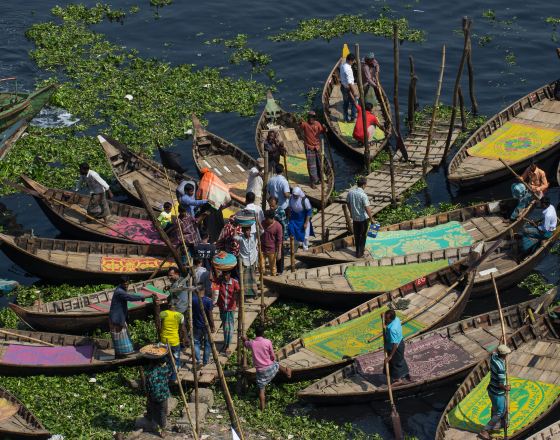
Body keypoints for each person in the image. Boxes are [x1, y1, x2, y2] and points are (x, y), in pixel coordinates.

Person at [242, 325, 292, 411]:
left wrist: (244, 338)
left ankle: (262, 409)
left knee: (261, 389)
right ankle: (288, 373)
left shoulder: (252, 343)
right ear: (263, 333)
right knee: (277, 364)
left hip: (260, 371)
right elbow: (272, 356)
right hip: (269, 367)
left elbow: (245, 343)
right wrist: (272, 359)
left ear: (255, 333)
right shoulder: (267, 342)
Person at [479, 344, 512, 440]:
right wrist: (507, 388)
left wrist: (502, 341)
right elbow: (500, 385)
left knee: (495, 408)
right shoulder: (501, 368)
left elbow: (494, 350)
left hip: (491, 390)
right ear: (503, 355)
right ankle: (485, 430)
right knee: (500, 412)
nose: (507, 355)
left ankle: (496, 424)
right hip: (497, 393)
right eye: (506, 354)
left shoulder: (493, 357)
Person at [108, 276, 145, 357]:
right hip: (116, 319)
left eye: (127, 284)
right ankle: (124, 355)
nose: (126, 286)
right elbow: (129, 297)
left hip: (119, 317)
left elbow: (128, 296)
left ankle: (122, 354)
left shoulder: (120, 289)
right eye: (124, 284)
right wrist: (142, 297)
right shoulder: (119, 292)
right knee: (119, 337)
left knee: (122, 336)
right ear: (121, 284)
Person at [346, 176, 375, 258]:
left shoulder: (350, 192)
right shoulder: (363, 195)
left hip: (355, 219)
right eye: (366, 185)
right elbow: (367, 208)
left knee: (357, 235)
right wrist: (371, 219)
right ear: (363, 185)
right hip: (362, 219)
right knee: (362, 235)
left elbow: (347, 203)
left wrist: (351, 212)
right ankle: (360, 253)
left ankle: (358, 251)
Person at [143, 354, 171, 437]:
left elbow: (147, 385)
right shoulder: (163, 370)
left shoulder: (148, 373)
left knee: (153, 408)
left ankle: (153, 421)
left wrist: (148, 395)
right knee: (163, 412)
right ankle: (163, 430)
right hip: (163, 395)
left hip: (153, 395)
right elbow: (170, 368)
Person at [159, 300, 188, 382]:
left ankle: (166, 375)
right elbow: (182, 329)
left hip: (164, 341)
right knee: (176, 358)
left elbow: (158, 325)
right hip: (174, 341)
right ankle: (173, 377)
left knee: (165, 358)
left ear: (168, 306)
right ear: (176, 307)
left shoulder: (163, 313)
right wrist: (184, 338)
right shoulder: (180, 316)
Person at [383, 310, 411, 386]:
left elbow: (395, 344)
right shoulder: (397, 319)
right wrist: (385, 322)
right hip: (400, 342)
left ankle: (398, 380)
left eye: (386, 318)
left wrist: (390, 356)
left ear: (391, 319)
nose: (385, 319)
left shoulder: (392, 329)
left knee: (395, 362)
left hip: (396, 347)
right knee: (400, 359)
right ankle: (405, 374)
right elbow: (387, 322)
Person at [300, 111, 327, 188]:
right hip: (309, 147)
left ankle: (320, 178)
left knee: (320, 163)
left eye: (313, 117)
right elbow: (299, 127)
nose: (311, 119)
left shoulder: (317, 124)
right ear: (308, 117)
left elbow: (322, 131)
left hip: (317, 146)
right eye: (310, 117)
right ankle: (313, 182)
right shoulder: (304, 124)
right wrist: (300, 122)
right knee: (311, 165)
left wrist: (325, 129)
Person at [216, 270, 239, 355]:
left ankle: (227, 346)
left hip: (230, 308)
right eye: (224, 275)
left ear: (229, 274)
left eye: (227, 275)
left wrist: (237, 300)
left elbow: (240, 291)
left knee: (228, 328)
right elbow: (211, 279)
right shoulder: (220, 281)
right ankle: (226, 342)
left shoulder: (234, 282)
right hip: (222, 308)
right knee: (225, 327)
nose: (225, 277)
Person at [192, 284, 214, 366]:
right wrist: (212, 326)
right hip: (206, 325)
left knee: (196, 342)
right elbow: (210, 315)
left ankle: (198, 360)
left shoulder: (193, 300)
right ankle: (205, 361)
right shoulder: (208, 301)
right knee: (207, 343)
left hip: (196, 324)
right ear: (203, 290)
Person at [234, 225, 258, 297]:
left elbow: (262, 231)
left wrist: (258, 223)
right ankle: (245, 294)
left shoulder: (254, 236)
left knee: (253, 278)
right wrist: (235, 227)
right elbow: (234, 237)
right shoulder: (241, 238)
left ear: (250, 230)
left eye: (248, 230)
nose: (247, 232)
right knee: (244, 279)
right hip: (244, 261)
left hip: (253, 260)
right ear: (243, 231)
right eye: (245, 231)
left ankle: (254, 293)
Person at [287, 187, 313, 251]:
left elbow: (309, 211)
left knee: (305, 237)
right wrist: (289, 217)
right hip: (294, 219)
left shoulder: (305, 200)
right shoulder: (291, 199)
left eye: (296, 195)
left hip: (303, 219)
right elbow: (290, 208)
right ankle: (294, 249)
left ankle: (305, 249)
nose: (295, 196)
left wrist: (306, 223)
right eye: (294, 195)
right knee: (294, 233)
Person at [268, 196, 288, 275]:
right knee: (272, 252)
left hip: (279, 235)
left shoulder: (281, 211)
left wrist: (284, 236)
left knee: (279, 252)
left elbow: (284, 224)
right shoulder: (270, 211)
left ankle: (280, 270)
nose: (271, 207)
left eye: (273, 206)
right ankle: (274, 268)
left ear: (276, 204)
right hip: (272, 235)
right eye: (270, 206)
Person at [260, 209, 283, 276]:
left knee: (273, 268)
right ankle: (262, 280)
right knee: (261, 267)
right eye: (265, 218)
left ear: (272, 218)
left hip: (272, 250)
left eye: (268, 219)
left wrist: (279, 253)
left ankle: (273, 279)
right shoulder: (263, 223)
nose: (266, 220)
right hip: (262, 249)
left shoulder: (278, 226)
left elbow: (279, 241)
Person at [339, 53, 357, 122]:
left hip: (343, 87)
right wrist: (354, 92)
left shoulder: (342, 65)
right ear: (350, 61)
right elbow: (350, 82)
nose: (353, 63)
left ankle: (345, 118)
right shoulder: (348, 69)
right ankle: (352, 118)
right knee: (354, 102)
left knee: (345, 103)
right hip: (348, 89)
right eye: (353, 61)